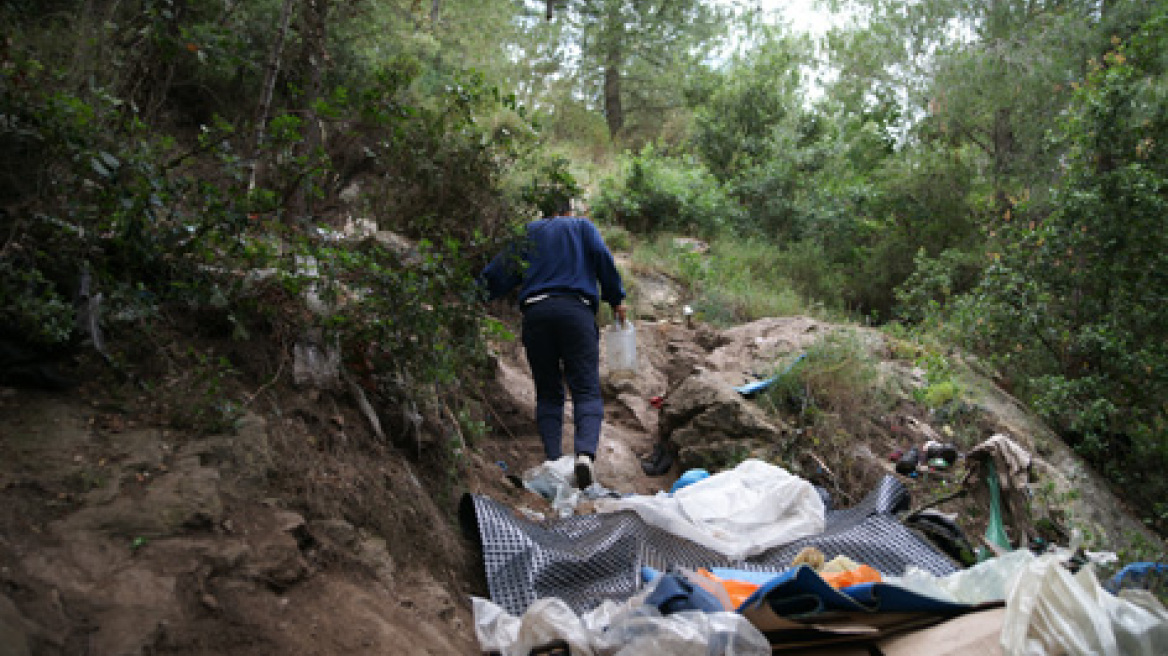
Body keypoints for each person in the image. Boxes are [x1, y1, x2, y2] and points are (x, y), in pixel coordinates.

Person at [479, 197, 626, 488]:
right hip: (576, 312)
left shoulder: (529, 232)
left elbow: (500, 271)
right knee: (585, 390)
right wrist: (615, 297)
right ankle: (584, 456)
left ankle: (554, 461)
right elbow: (601, 256)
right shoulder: (583, 228)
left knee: (548, 393)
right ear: (568, 211)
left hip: (537, 314)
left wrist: (474, 296)